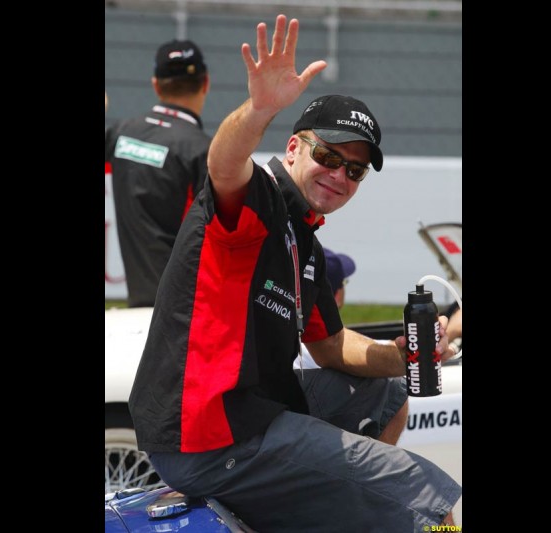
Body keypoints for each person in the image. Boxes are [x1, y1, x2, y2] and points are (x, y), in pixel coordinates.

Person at [129, 15, 460, 531]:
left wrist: (400, 357)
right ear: (293, 148)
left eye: (354, 170)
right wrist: (260, 109)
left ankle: (338, 510)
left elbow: (330, 347)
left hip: (255, 414)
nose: (339, 175)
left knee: (390, 398)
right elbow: (222, 165)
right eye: (328, 155)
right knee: (418, 491)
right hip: (210, 439)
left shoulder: (304, 238)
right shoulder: (257, 200)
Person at [105, 39, 211, 307]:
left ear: (155, 84)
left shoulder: (120, 134)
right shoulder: (205, 152)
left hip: (144, 305)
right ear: (206, 83)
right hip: (188, 312)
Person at [294, 248, 409, 445]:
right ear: (335, 296)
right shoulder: (318, 347)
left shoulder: (291, 338)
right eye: (344, 282)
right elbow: (366, 351)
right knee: (395, 391)